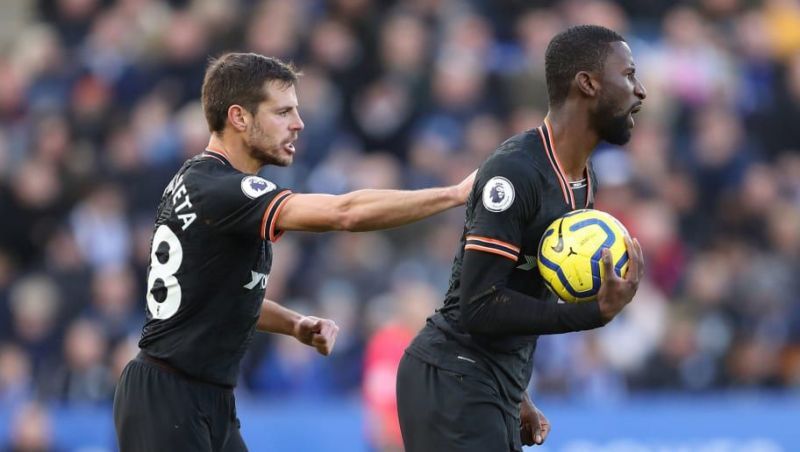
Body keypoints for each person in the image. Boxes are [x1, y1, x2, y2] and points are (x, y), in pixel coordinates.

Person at [112, 52, 475, 452]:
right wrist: (453, 194)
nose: (298, 124)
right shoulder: (226, 189)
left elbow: (215, 297)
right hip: (170, 399)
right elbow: (345, 213)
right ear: (239, 117)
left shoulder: (202, 180)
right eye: (283, 112)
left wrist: (294, 324)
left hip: (203, 396)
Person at [396, 25, 647, 451]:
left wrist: (518, 394)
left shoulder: (584, 181)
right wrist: (592, 313)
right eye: (628, 75)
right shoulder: (516, 172)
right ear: (587, 84)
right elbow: (478, 305)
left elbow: (524, 289)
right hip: (452, 375)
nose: (639, 91)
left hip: (489, 381)